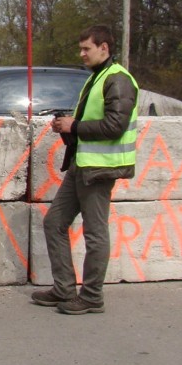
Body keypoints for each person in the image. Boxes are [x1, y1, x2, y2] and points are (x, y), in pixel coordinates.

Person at [31, 25, 139, 315]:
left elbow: (115, 126)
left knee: (95, 232)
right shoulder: (99, 78)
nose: (82, 54)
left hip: (100, 170)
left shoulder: (118, 80)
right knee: (54, 222)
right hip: (83, 165)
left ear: (104, 47)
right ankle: (65, 289)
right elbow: (96, 121)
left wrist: (74, 126)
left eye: (86, 48)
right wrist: (68, 125)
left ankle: (91, 296)